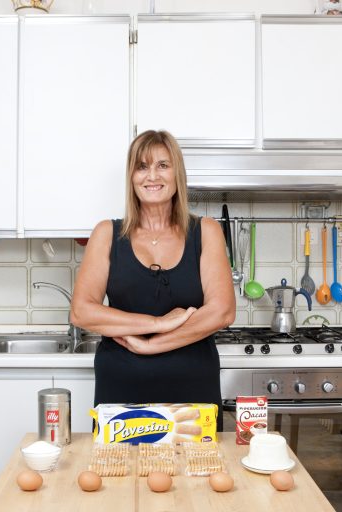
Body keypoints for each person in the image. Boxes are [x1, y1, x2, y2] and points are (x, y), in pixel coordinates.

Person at [70, 130, 235, 431]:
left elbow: (222, 311)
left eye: (162, 165)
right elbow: (82, 311)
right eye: (142, 166)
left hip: (193, 392)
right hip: (121, 391)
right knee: (118, 476)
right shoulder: (107, 234)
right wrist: (157, 323)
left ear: (177, 174)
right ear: (131, 177)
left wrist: (150, 347)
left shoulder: (206, 231)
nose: (152, 176)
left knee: (197, 476)